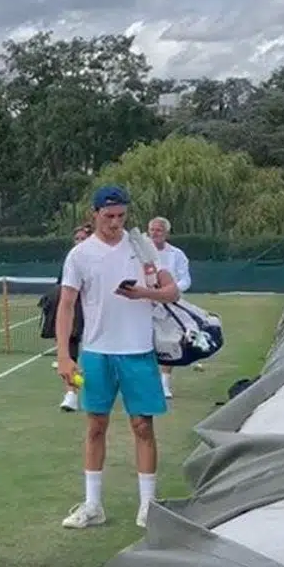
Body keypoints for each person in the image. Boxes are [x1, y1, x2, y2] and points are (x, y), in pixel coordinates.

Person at [56, 186, 180, 530]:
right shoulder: (80, 255)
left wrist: (142, 293)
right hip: (97, 352)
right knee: (96, 426)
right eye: (109, 216)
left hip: (137, 350)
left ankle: (148, 505)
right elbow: (66, 305)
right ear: (95, 214)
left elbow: (172, 291)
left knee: (142, 426)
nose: (115, 223)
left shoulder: (141, 246)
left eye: (121, 216)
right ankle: (93, 505)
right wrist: (64, 355)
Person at [40, 224, 90, 412]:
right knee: (70, 347)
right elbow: (63, 287)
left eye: (83, 239)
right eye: (77, 239)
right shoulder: (71, 260)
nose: (79, 242)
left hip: (95, 312)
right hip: (74, 310)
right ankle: (71, 394)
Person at [147, 216, 192, 398]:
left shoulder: (177, 254)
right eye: (152, 230)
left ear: (166, 233)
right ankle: (147, 381)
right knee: (145, 341)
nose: (155, 233)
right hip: (146, 302)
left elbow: (185, 279)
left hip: (170, 304)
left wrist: (170, 290)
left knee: (169, 341)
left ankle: (165, 383)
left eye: (158, 230)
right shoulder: (140, 253)